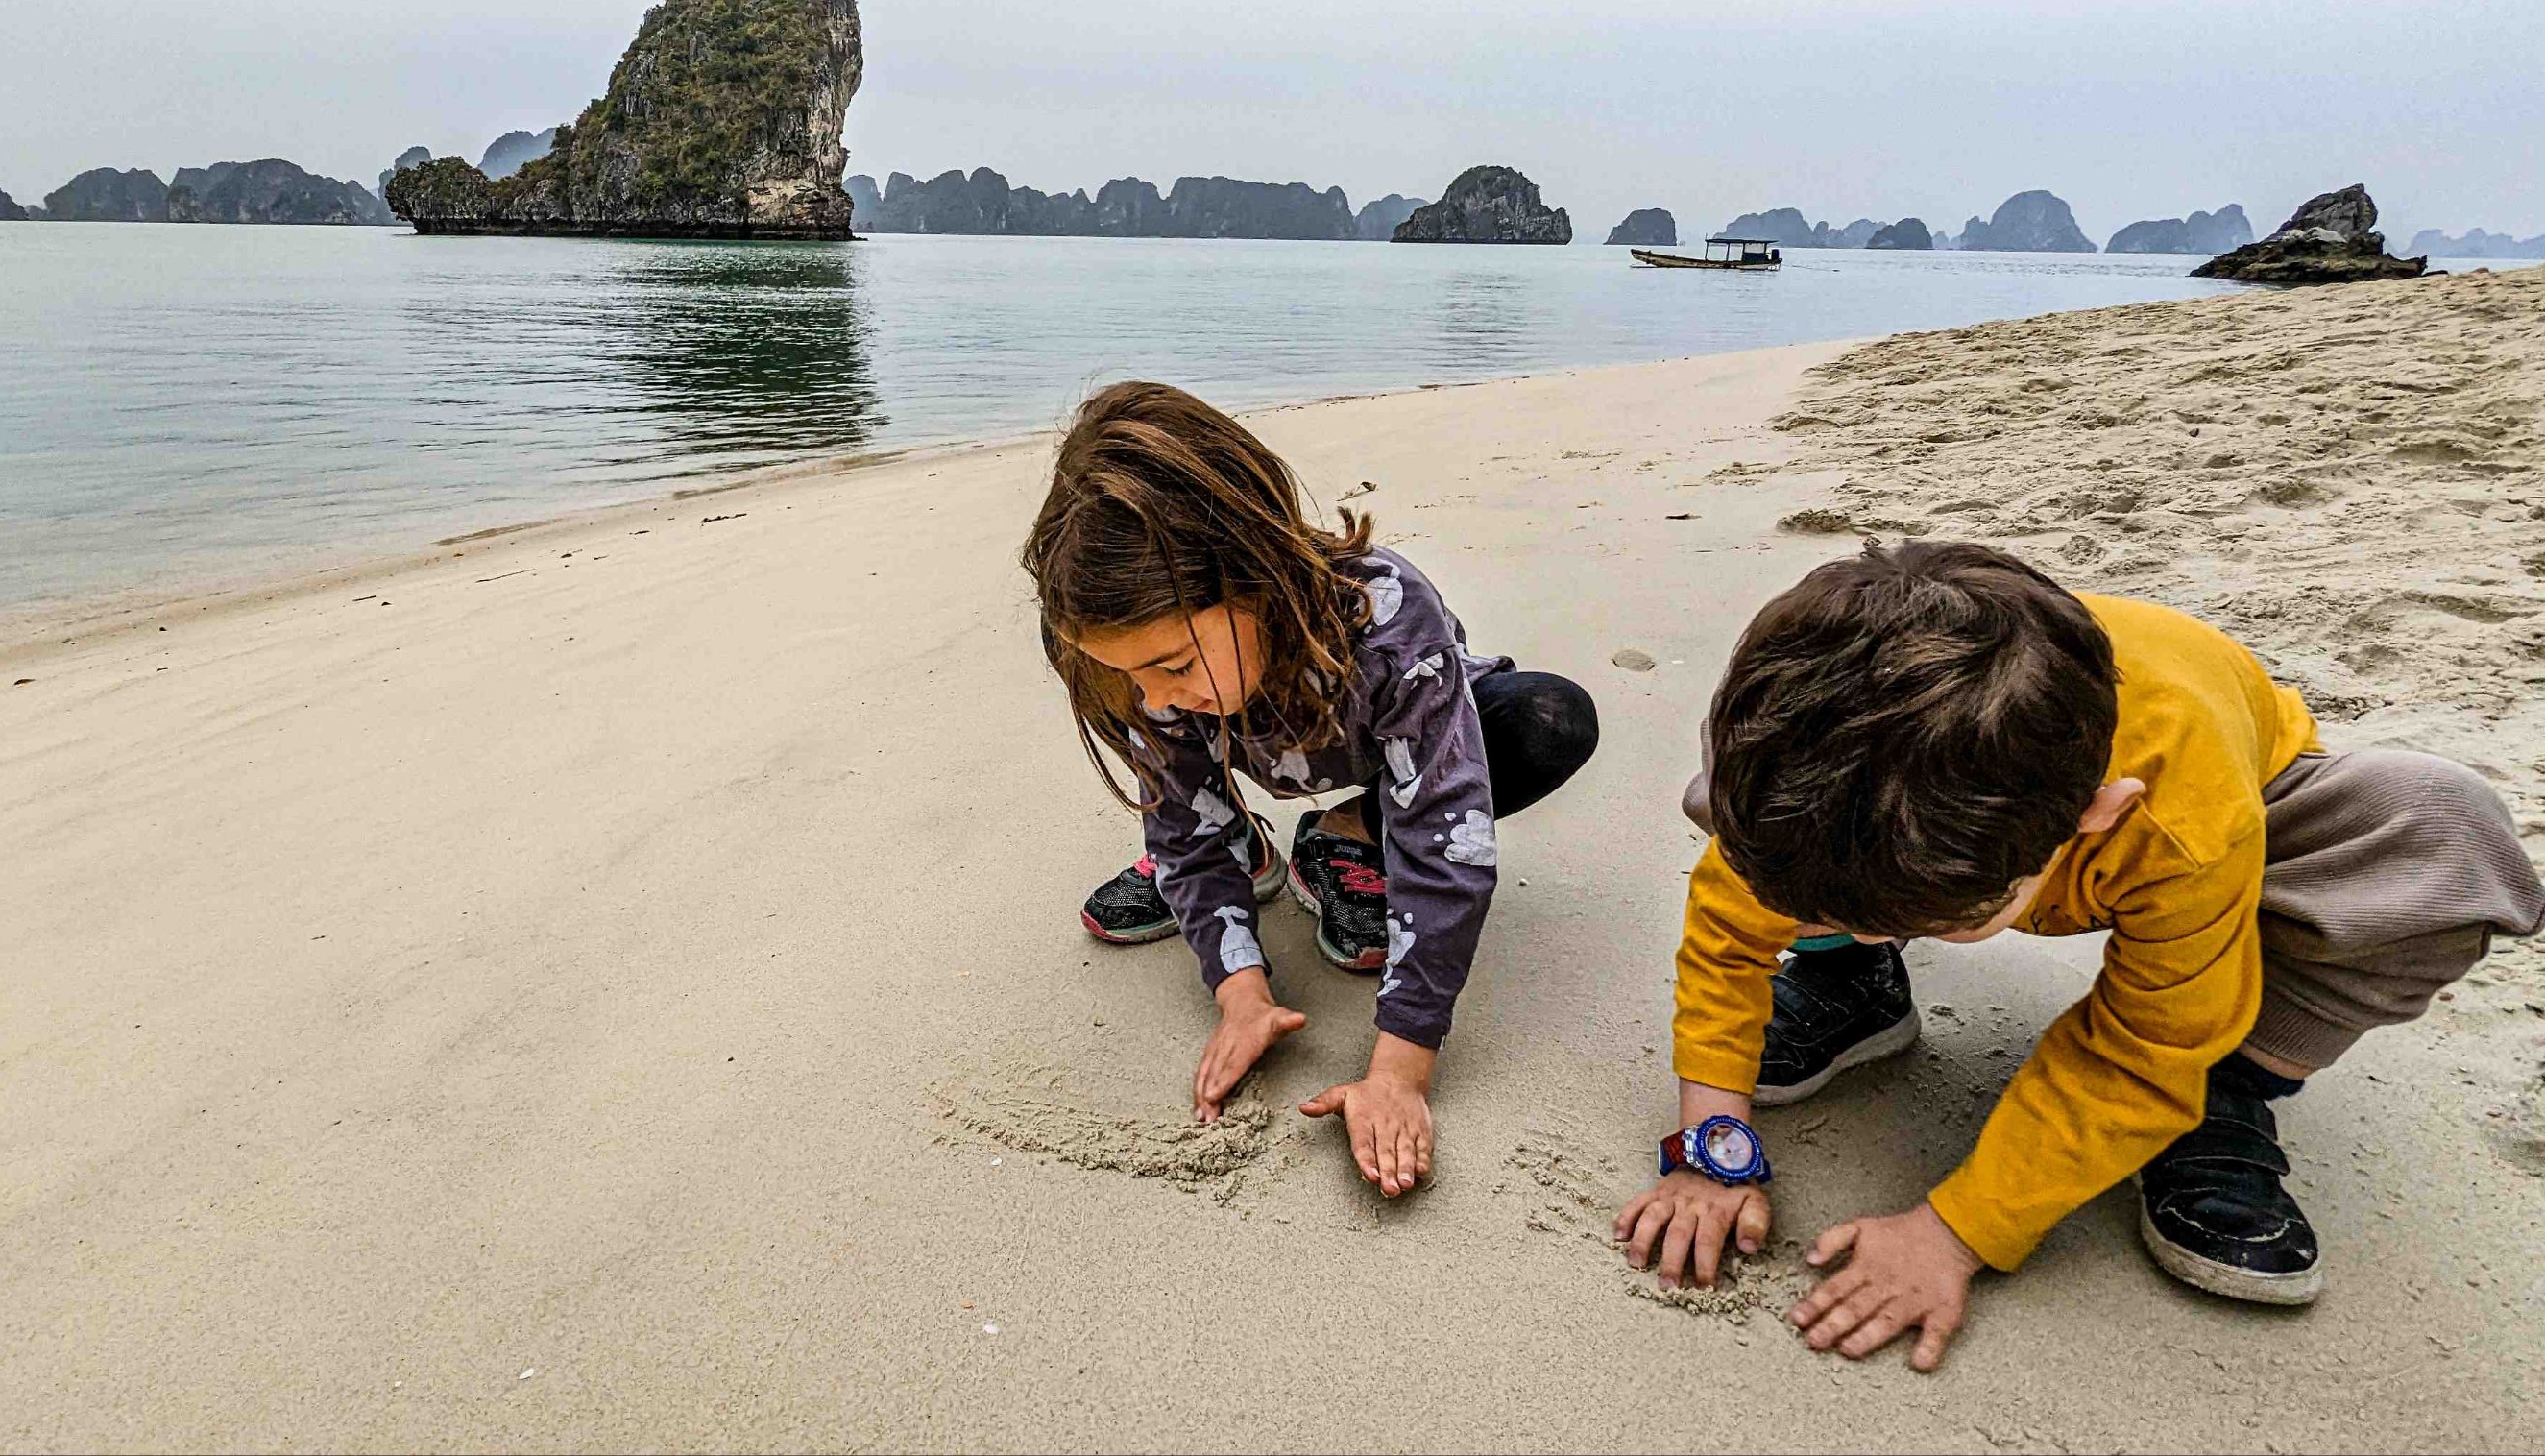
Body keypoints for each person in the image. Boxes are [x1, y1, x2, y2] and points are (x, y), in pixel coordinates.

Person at [1615, 540, 2542, 1369]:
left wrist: (1955, 1233)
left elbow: (2139, 1046)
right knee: (1767, 831)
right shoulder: (1810, 760)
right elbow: (1730, 930)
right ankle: (1855, 987)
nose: (1864, 922)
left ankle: (2227, 1083)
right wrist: (1711, 1141)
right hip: (1930, 812)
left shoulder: (2181, 819)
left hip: (2233, 826)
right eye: (1831, 919)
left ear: (2093, 824)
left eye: (1921, 926)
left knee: (2437, 829)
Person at [1022, 380, 1599, 1196]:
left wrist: (1400, 1069)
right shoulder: (1130, 669)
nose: (1152, 693)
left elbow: (1447, 843)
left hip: (1368, 740)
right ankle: (1244, 851)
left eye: (1173, 663)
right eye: (1135, 671)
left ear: (1257, 574)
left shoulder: (1392, 622)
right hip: (1228, 750)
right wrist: (1240, 991)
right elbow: (1178, 813)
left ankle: (1347, 834)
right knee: (1182, 800)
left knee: (1549, 718)